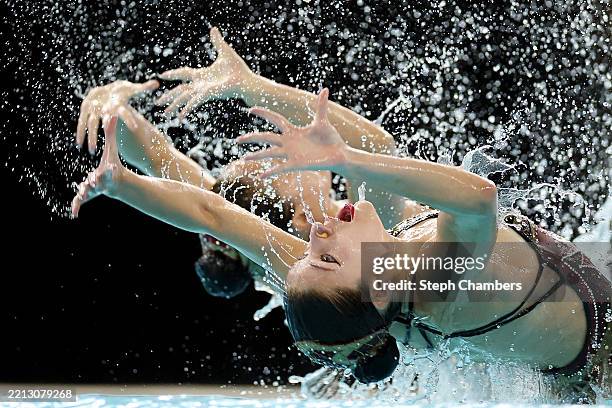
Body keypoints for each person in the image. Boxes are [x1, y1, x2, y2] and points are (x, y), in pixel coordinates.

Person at [71, 84, 610, 400]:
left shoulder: (333, 275)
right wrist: (346, 160)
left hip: (569, 306)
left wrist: (122, 185)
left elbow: (215, 212)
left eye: (308, 249)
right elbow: (475, 199)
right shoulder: (437, 283)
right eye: (318, 247)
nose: (317, 229)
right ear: (369, 289)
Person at [75, 27, 424, 298]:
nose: (294, 149)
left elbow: (155, 156)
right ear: (302, 217)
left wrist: (110, 101)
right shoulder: (372, 245)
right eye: (280, 161)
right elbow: (375, 146)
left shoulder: (248, 216)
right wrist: (252, 88)